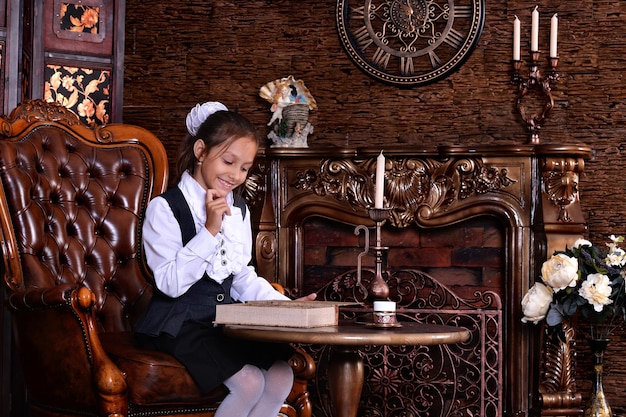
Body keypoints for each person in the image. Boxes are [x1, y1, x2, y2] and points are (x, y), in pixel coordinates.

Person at [135, 101, 316, 417]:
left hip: (223, 324)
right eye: (229, 162)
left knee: (280, 376)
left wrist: (287, 308)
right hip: (179, 324)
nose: (235, 175)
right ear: (201, 151)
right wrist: (209, 229)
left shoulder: (240, 210)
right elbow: (170, 284)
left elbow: (242, 277)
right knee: (248, 384)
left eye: (244, 168)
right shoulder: (165, 209)